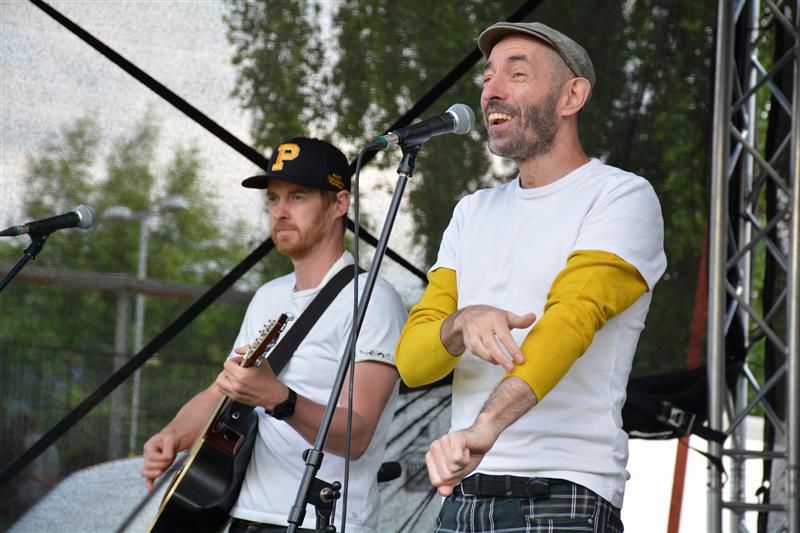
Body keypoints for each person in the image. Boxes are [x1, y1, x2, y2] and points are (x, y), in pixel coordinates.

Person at [395, 22, 667, 532]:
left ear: (572, 95)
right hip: (462, 499)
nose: (491, 90)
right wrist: (459, 324)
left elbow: (572, 319)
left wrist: (485, 429)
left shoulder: (621, 197)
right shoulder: (471, 212)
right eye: (488, 77)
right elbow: (411, 363)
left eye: (516, 74)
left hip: (562, 492)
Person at [141, 137, 408, 533]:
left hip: (326, 521)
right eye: (273, 199)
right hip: (241, 514)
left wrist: (277, 398)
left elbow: (357, 434)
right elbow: (222, 393)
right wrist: (172, 435)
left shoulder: (373, 299)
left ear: (339, 204)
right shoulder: (268, 297)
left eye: (297, 198)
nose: (280, 212)